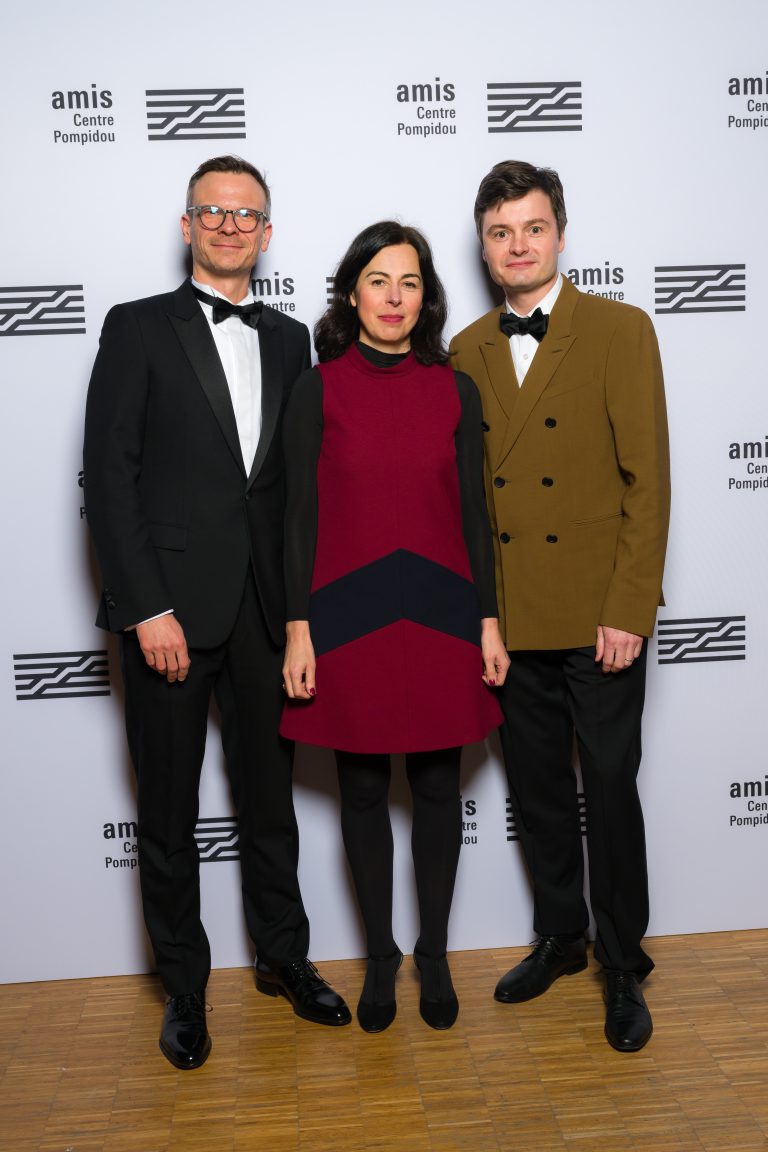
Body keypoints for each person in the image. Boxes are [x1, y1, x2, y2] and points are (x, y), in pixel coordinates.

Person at [83, 155, 350, 1071]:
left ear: (268, 234)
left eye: (248, 215)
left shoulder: (289, 340)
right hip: (169, 613)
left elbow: (290, 493)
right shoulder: (136, 328)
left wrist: (301, 619)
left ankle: (284, 959)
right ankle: (186, 990)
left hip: (263, 615)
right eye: (214, 211)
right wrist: (142, 605)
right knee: (166, 809)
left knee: (269, 802)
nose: (232, 226)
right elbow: (108, 478)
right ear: (188, 224)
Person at [449, 161, 670, 1052]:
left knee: (610, 790)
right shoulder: (464, 348)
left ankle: (624, 960)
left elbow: (646, 483)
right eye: (500, 233)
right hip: (511, 619)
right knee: (539, 792)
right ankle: (561, 937)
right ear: (484, 244)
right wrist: (483, 619)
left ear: (560, 234)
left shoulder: (620, 329)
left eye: (532, 228)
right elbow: (469, 505)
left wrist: (629, 608)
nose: (517, 246)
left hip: (598, 617)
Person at [279, 221, 508, 1032]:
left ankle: (434, 953)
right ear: (352, 292)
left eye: (409, 282)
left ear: (426, 297)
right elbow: (298, 518)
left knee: (440, 786)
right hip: (348, 611)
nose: (393, 297)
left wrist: (488, 619)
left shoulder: (456, 388)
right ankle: (381, 957)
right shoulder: (318, 388)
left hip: (443, 608)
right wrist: (298, 626)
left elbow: (476, 517)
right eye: (379, 280)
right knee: (365, 790)